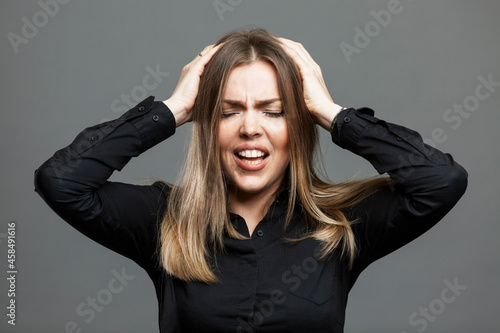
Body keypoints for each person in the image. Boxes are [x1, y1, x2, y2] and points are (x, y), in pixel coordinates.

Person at [34, 28, 467, 332]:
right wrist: (173, 108)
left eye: (273, 111)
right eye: (228, 111)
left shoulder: (340, 226)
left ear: (297, 126)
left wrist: (330, 112)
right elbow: (60, 181)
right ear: (207, 127)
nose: (250, 128)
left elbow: (441, 180)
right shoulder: (166, 221)